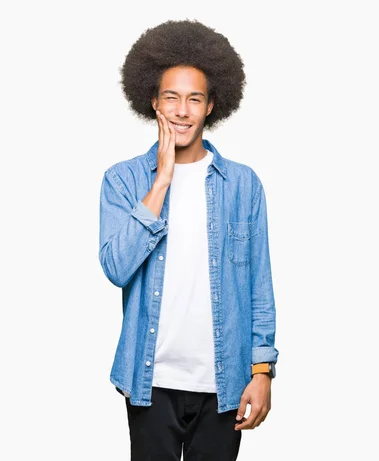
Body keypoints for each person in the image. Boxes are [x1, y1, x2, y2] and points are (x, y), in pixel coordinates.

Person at [98, 19, 278, 460]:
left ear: (212, 105)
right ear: (153, 103)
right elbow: (116, 269)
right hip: (149, 381)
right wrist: (161, 182)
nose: (182, 110)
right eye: (171, 98)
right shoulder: (122, 181)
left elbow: (259, 286)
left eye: (194, 99)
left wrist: (262, 372)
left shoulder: (243, 185)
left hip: (225, 382)